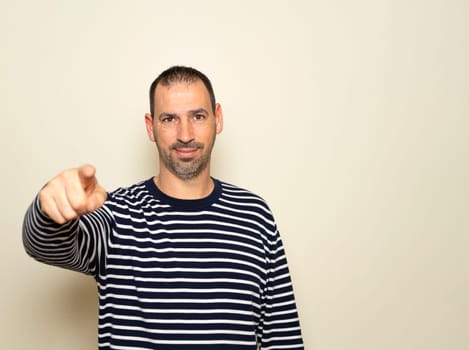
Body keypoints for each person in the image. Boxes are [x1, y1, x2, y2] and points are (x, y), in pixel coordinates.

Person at [22, 66, 304, 350]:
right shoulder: (117, 214)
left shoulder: (255, 216)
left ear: (217, 119)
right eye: (169, 119)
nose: (185, 134)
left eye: (198, 116)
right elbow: (42, 245)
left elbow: (283, 339)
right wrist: (50, 207)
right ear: (150, 126)